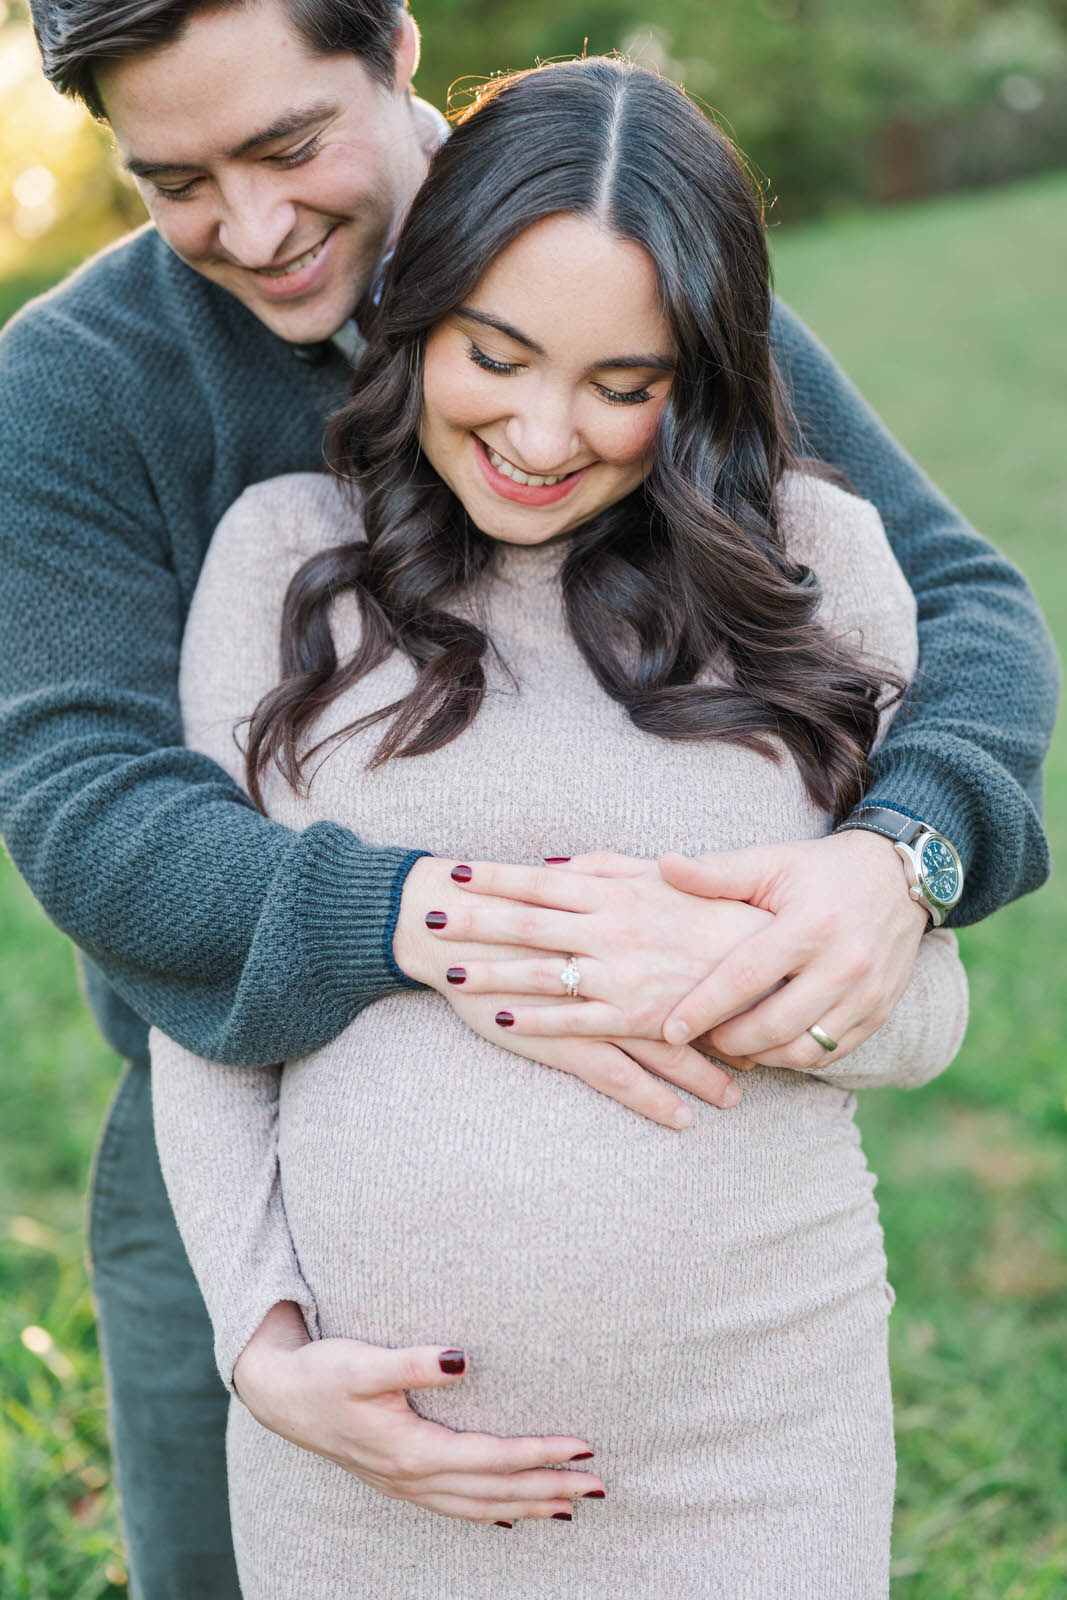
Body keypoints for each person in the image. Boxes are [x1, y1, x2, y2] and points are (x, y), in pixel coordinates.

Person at [0, 2, 1053, 1593]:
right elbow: (85, 803)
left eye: (291, 145)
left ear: (396, 44)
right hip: (240, 1110)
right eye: (180, 181)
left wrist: (896, 858)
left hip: (715, 1326)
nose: (260, 225)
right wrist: (446, 925)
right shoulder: (76, 386)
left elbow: (953, 598)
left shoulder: (610, 234)